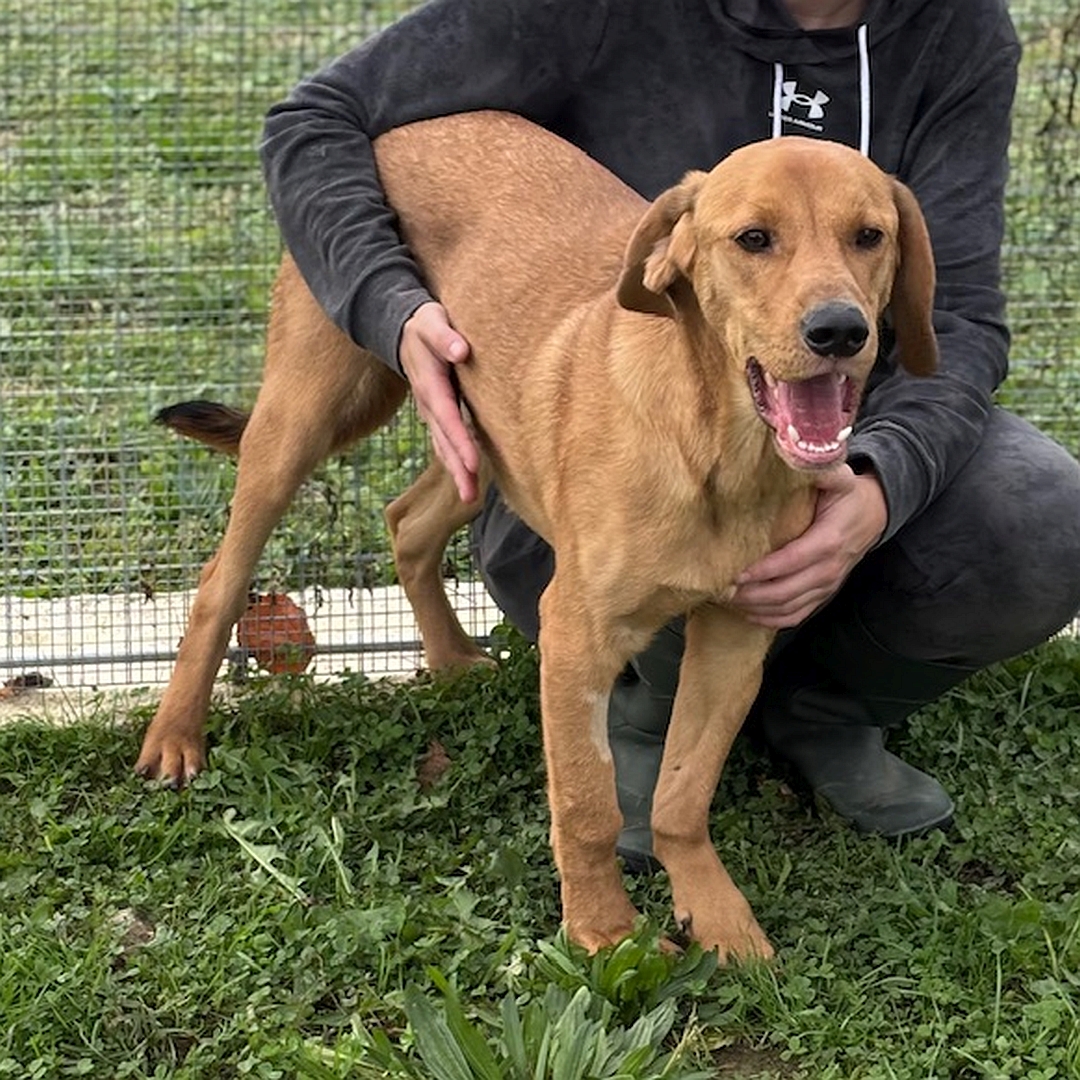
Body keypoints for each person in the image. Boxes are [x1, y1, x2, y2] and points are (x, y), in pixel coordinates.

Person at [261, 0, 1080, 867]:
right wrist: (394, 310)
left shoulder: (956, 28)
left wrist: (884, 482)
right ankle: (646, 714)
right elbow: (317, 119)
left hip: (837, 417)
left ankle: (822, 710)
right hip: (605, 432)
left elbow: (960, 320)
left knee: (1044, 521)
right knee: (664, 554)